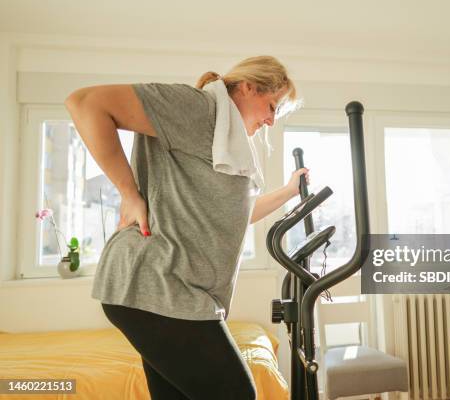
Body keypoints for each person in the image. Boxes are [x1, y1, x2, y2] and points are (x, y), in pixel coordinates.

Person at [65, 56, 306, 400]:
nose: (270, 121)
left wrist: (288, 191)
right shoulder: (201, 109)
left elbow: (237, 215)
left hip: (174, 292)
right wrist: (129, 193)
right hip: (159, 286)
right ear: (249, 86)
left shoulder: (226, 140)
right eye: (272, 107)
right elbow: (85, 103)